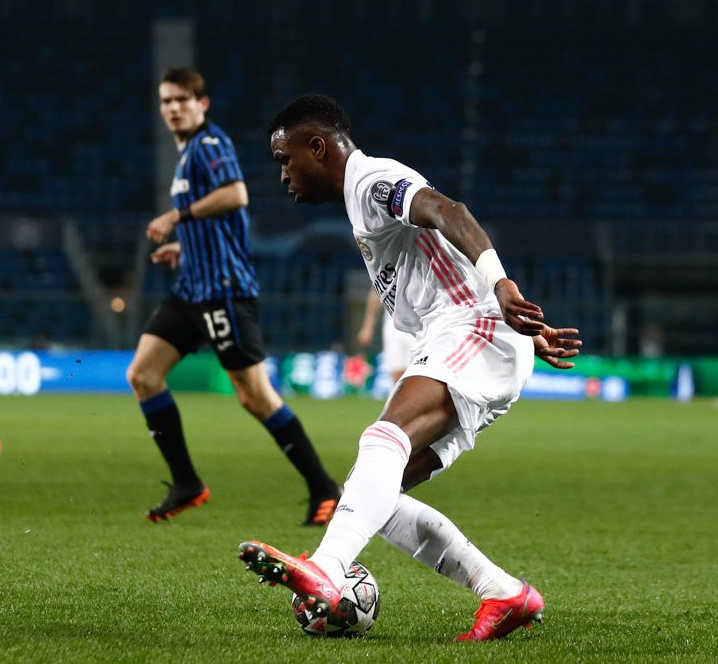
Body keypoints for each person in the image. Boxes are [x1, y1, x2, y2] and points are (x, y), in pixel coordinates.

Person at [237, 94, 581, 641]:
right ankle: (503, 592)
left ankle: (326, 570)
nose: (282, 175)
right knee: (373, 490)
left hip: (472, 330)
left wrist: (501, 288)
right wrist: (514, 329)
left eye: (284, 159)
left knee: (383, 439)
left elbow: (450, 212)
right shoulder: (358, 199)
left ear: (317, 147)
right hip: (472, 336)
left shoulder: (372, 180)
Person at [128, 68, 341, 525]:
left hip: (223, 289)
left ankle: (324, 487)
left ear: (201, 104)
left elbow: (236, 195)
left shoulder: (209, 145)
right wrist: (183, 246)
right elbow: (218, 225)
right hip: (192, 288)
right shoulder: (187, 155)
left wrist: (175, 217)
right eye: (165, 101)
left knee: (255, 397)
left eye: (181, 100)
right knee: (144, 375)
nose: (172, 108)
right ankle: (186, 482)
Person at [356, 286, 414, 386]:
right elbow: (376, 292)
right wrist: (368, 327)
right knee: (397, 374)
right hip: (393, 325)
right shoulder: (387, 271)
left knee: (418, 371)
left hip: (418, 323)